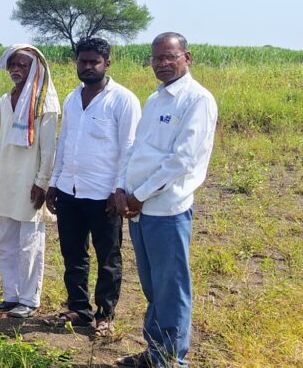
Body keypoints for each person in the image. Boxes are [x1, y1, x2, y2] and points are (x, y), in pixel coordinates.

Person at [114, 32, 217, 368]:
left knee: (171, 288)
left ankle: (172, 360)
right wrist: (121, 189)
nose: (162, 64)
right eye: (156, 58)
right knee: (153, 286)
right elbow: (136, 148)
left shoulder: (197, 100)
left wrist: (139, 196)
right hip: (138, 208)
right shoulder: (156, 98)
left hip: (166, 209)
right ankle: (155, 352)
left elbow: (182, 161)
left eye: (169, 57)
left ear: (187, 58)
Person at [44, 38, 140, 338]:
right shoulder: (73, 99)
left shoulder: (123, 99)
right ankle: (79, 308)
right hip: (70, 190)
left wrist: (118, 189)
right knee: (73, 254)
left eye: (93, 62)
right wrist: (54, 183)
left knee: (108, 257)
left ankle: (106, 314)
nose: (87, 67)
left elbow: (129, 148)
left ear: (106, 63)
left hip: (104, 194)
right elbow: (64, 143)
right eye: (82, 62)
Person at [0, 45, 60, 319]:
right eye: (12, 65)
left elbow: (49, 150)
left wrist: (42, 182)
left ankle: (29, 300)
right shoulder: (6, 100)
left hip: (31, 182)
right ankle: (11, 296)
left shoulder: (46, 103)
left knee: (29, 243)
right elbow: (3, 142)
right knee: (6, 240)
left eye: (22, 65)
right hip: (7, 180)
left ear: (36, 68)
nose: (16, 70)